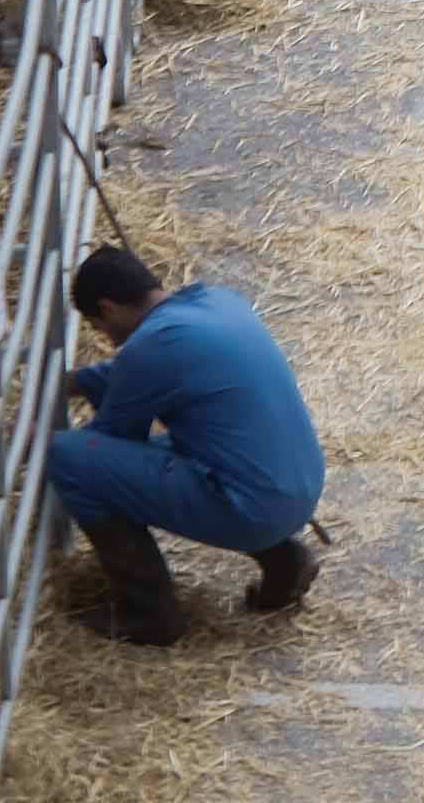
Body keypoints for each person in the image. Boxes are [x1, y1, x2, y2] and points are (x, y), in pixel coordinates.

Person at [48, 247, 327, 645]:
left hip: (251, 509)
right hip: (296, 488)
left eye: (98, 325)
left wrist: (32, 439)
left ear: (107, 309)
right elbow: (152, 371)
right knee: (184, 446)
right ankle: (284, 558)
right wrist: (79, 382)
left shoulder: (151, 348)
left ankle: (150, 614)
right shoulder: (216, 302)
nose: (107, 338)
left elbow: (112, 436)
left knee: (69, 456)